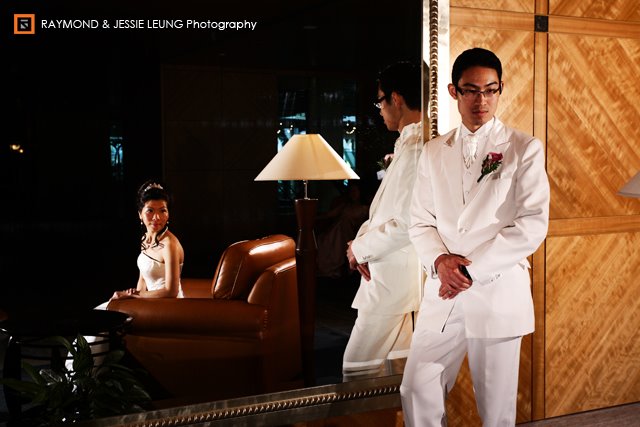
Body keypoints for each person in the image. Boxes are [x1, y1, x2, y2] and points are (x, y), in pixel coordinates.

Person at [401, 47, 550, 426]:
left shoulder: (524, 148)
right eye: (471, 90)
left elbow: (532, 224)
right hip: (443, 295)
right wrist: (440, 262)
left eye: (490, 90)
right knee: (416, 387)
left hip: (496, 291)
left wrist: (468, 272)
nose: (481, 100)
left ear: (500, 90)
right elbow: (420, 221)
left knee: (496, 412)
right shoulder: (433, 151)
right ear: (454, 91)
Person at [343, 61, 424, 376]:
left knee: (356, 370)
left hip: (395, 279)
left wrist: (359, 249)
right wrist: (359, 243)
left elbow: (407, 222)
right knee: (395, 375)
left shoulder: (416, 150)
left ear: (396, 99)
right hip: (388, 274)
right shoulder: (408, 146)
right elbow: (385, 211)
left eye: (380, 101)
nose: (379, 110)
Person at [108, 180, 184, 302]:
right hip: (151, 302)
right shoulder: (145, 238)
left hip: (170, 305)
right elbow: (142, 281)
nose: (157, 217)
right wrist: (134, 300)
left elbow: (171, 291)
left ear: (168, 214)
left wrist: (134, 294)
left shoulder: (170, 244)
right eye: (150, 210)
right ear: (140, 214)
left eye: (162, 210)